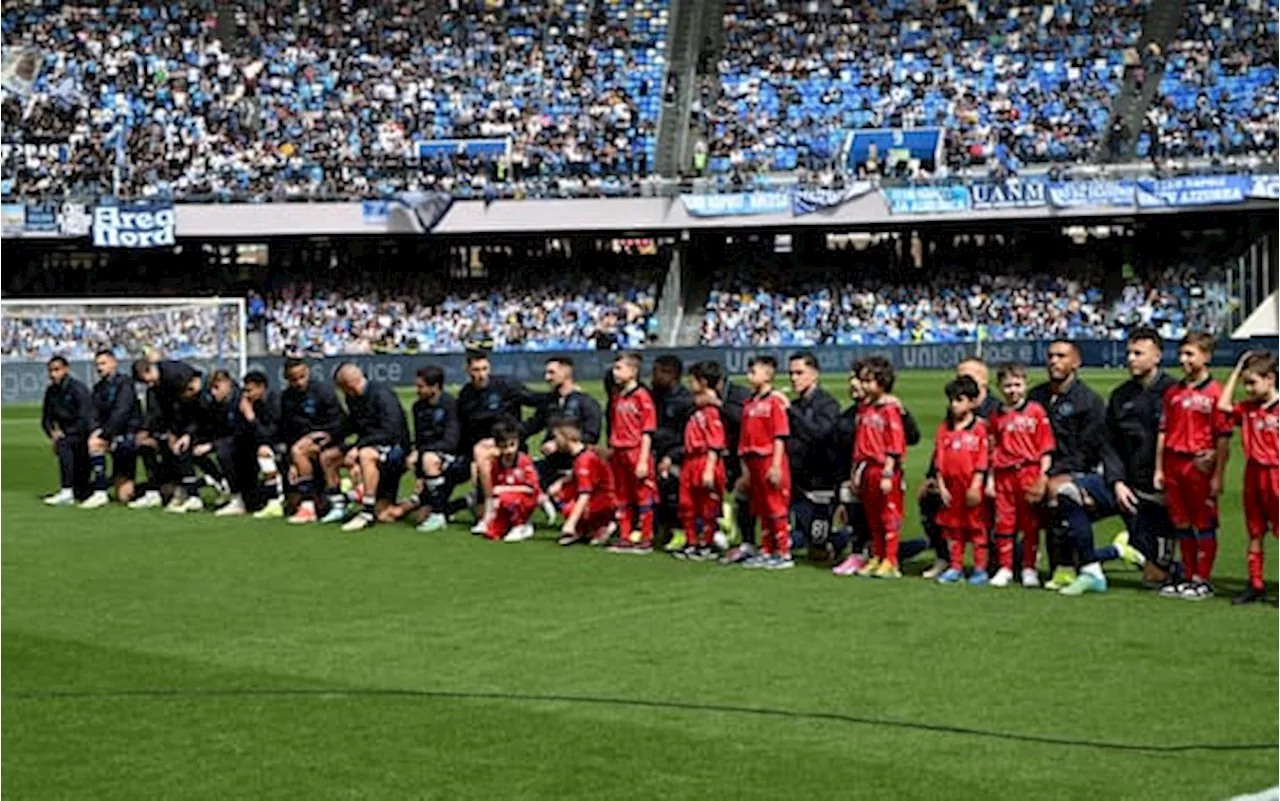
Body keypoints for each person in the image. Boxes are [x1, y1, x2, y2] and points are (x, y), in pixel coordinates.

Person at [1028, 341, 1125, 596]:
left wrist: (1049, 475)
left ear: (1076, 362)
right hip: (1039, 469)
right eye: (1050, 356)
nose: (1054, 361)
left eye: (1061, 356)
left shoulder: (1089, 402)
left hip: (1076, 471)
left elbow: (1086, 452)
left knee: (1057, 492)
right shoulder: (1035, 397)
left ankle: (1065, 567)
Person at [1153, 332, 1230, 600]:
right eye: (1182, 353)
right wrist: (1159, 469)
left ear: (1206, 357)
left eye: (1190, 354)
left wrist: (1218, 473)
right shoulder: (1173, 392)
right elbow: (1163, 431)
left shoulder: (1215, 393)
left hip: (1199, 466)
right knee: (1181, 523)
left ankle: (1203, 578)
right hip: (1174, 463)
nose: (1183, 359)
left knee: (1204, 523)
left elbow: (1222, 438)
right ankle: (1187, 575)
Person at [918, 358, 1000, 578]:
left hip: (987, 480)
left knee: (978, 525)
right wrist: (933, 478)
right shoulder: (949, 421)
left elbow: (991, 453)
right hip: (952, 483)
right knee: (945, 517)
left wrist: (985, 481)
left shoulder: (995, 411)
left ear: (983, 381)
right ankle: (948, 561)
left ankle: (992, 562)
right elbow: (942, 452)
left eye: (968, 375)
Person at [1218, 351, 1280, 605]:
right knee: (1255, 532)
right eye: (1245, 382)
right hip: (1253, 475)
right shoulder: (1247, 409)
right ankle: (1255, 584)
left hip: (1277, 473)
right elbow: (1222, 406)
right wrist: (1236, 371)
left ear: (1270, 379)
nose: (1248, 388)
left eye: (1252, 382)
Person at [988, 362, 1054, 588]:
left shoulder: (1036, 411)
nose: (1012, 390)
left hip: (1028, 472)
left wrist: (1042, 476)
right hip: (1003, 475)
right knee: (1004, 522)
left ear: (1025, 385)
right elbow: (992, 447)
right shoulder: (995, 416)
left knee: (1030, 523)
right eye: (1007, 386)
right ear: (999, 387)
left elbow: (1046, 448)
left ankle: (1029, 567)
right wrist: (989, 478)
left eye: (1017, 384)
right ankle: (1005, 567)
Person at [457, 349, 535, 533]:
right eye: (476, 370)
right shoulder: (466, 394)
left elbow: (533, 400)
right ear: (468, 370)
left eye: (484, 369)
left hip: (507, 447)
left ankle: (491, 509)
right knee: (477, 462)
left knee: (480, 456)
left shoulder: (505, 386)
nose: (481, 374)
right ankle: (482, 505)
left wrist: (522, 432)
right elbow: (464, 429)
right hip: (480, 451)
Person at [380, 366, 464, 532]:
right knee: (415, 517)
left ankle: (438, 513)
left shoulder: (451, 405)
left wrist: (422, 452)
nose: (417, 390)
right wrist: (419, 474)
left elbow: (451, 442)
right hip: (427, 459)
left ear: (435, 387)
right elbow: (419, 439)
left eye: (421, 386)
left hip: (451, 457)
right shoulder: (418, 407)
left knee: (429, 458)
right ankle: (437, 504)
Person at [333, 362, 411, 532]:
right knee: (329, 456)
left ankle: (367, 511)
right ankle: (336, 502)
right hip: (370, 444)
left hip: (395, 449)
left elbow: (391, 431)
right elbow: (354, 424)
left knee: (366, 454)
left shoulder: (382, 395)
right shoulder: (352, 398)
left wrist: (359, 446)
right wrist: (331, 436)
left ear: (349, 385)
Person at [523, 356, 602, 522]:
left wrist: (560, 445)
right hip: (551, 463)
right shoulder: (549, 402)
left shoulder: (586, 402)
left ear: (566, 372)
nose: (547, 377)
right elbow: (532, 426)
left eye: (552, 372)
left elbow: (592, 436)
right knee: (522, 475)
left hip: (575, 466)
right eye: (546, 373)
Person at [852, 357, 909, 578]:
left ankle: (891, 559)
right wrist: (856, 471)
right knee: (873, 516)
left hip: (884, 468)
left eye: (869, 381)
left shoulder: (889, 409)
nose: (864, 386)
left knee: (889, 515)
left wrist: (889, 470)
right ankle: (877, 555)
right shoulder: (865, 409)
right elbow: (859, 442)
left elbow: (895, 442)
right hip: (866, 468)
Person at [933, 376, 991, 585]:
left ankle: (979, 568)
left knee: (976, 529)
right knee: (953, 529)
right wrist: (941, 487)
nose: (954, 404)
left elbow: (982, 460)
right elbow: (938, 461)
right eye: (952, 400)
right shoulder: (944, 429)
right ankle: (955, 566)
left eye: (960, 399)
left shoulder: (979, 429)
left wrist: (976, 485)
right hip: (951, 487)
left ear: (973, 402)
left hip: (971, 487)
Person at [738, 355, 793, 569]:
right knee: (761, 507)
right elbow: (744, 438)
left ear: (768, 375)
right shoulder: (749, 403)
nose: (749, 376)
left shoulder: (774, 402)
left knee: (775, 505)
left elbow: (780, 435)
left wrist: (777, 465)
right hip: (753, 460)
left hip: (769, 458)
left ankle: (783, 552)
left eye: (754, 372)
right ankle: (767, 548)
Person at [278, 357, 347, 524]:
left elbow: (341, 422)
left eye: (302, 376)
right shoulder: (287, 398)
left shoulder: (323, 392)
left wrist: (324, 435)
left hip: (328, 442)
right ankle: (332, 493)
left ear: (307, 372)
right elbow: (287, 431)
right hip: (301, 445)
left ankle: (308, 506)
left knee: (298, 451)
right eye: (294, 379)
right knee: (292, 504)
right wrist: (292, 462)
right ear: (287, 379)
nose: (299, 382)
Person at [786, 351, 841, 555]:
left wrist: (792, 413)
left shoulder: (827, 404)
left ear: (814, 374)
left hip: (821, 484)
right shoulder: (796, 405)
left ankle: (848, 537)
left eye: (799, 373)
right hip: (799, 484)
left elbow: (820, 434)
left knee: (817, 545)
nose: (794, 378)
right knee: (802, 538)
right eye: (791, 373)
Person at [128, 357, 202, 510]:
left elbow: (186, 407)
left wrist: (177, 433)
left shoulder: (175, 374)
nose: (148, 385)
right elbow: (154, 412)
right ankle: (156, 491)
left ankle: (192, 493)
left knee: (180, 449)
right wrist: (146, 431)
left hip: (193, 422)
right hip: (173, 425)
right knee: (147, 446)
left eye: (147, 380)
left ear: (149, 370)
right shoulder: (155, 387)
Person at [675, 361, 727, 561]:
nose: (689, 384)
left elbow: (716, 441)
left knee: (707, 505)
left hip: (705, 459)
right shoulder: (697, 406)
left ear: (703, 382)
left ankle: (707, 542)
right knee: (686, 503)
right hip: (690, 460)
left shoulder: (711, 411)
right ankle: (691, 541)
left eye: (693, 380)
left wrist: (709, 468)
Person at [607, 352, 659, 554]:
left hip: (635, 450)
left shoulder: (642, 397)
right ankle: (625, 535)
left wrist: (644, 459)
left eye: (619, 368)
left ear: (633, 371)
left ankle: (646, 537)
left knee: (642, 493)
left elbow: (647, 430)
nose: (615, 372)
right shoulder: (617, 396)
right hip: (619, 451)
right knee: (622, 494)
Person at [216, 371, 285, 518]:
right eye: (245, 390)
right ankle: (238, 497)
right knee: (226, 450)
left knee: (263, 452)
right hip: (253, 443)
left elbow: (270, 433)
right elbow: (239, 430)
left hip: (277, 443)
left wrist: (251, 417)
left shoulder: (275, 401)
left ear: (261, 388)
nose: (246, 394)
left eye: (250, 390)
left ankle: (274, 501)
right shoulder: (244, 402)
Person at [82, 349, 142, 508]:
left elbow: (121, 412)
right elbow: (92, 413)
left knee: (125, 496)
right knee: (93, 443)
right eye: (97, 365)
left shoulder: (125, 384)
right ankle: (100, 491)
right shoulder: (98, 388)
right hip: (110, 435)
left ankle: (152, 489)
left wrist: (105, 434)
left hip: (128, 434)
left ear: (114, 363)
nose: (100, 368)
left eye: (103, 363)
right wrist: (95, 430)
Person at [551, 415, 618, 547]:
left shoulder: (584, 460)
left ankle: (602, 526)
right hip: (601, 497)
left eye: (556, 437)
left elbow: (585, 493)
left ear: (566, 438)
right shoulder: (583, 454)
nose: (554, 442)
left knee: (568, 504)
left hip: (605, 500)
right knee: (562, 492)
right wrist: (560, 482)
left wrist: (570, 522)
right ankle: (586, 529)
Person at [650, 354, 694, 547]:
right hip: (656, 453)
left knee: (670, 484)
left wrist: (672, 455)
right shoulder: (653, 396)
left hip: (679, 456)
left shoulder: (685, 401)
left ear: (671, 374)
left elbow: (688, 437)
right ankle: (659, 526)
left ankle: (680, 529)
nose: (652, 377)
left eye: (657, 372)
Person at [40, 356, 94, 506]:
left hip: (83, 434)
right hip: (66, 434)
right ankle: (69, 489)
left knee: (65, 444)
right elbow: (46, 419)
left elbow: (85, 417)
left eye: (56, 370)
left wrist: (66, 435)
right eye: (50, 371)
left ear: (65, 369)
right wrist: (52, 432)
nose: (53, 374)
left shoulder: (78, 389)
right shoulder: (51, 392)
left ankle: (67, 490)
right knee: (63, 443)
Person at [484, 421, 541, 543]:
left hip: (525, 499)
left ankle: (522, 525)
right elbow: (494, 488)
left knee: (507, 498)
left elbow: (532, 488)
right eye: (504, 446)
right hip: (504, 502)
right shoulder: (496, 463)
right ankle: (509, 522)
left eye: (512, 445)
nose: (509, 450)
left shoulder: (524, 461)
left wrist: (507, 490)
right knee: (492, 533)